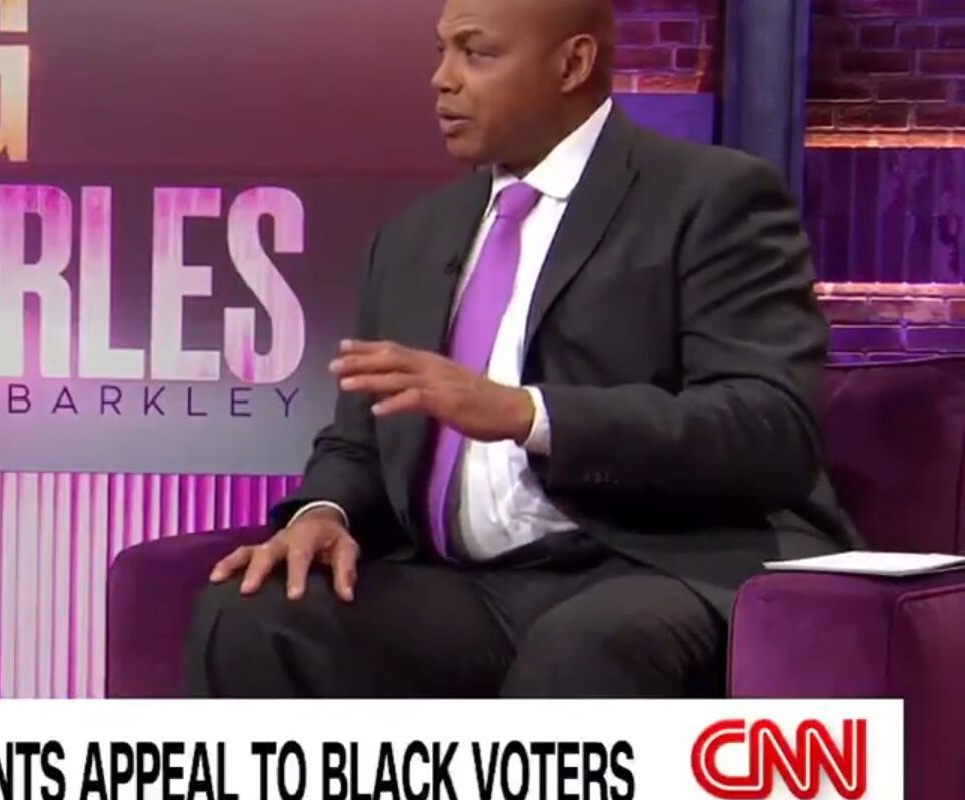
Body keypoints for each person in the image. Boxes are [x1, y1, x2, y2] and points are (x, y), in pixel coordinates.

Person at [188, 0, 860, 698]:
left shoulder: (710, 198)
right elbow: (359, 443)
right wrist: (323, 513)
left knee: (583, 647)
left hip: (660, 564)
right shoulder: (413, 238)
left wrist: (528, 414)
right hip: (473, 590)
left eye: (476, 53)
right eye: (442, 51)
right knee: (252, 617)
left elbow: (770, 425)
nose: (443, 79)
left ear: (572, 64)